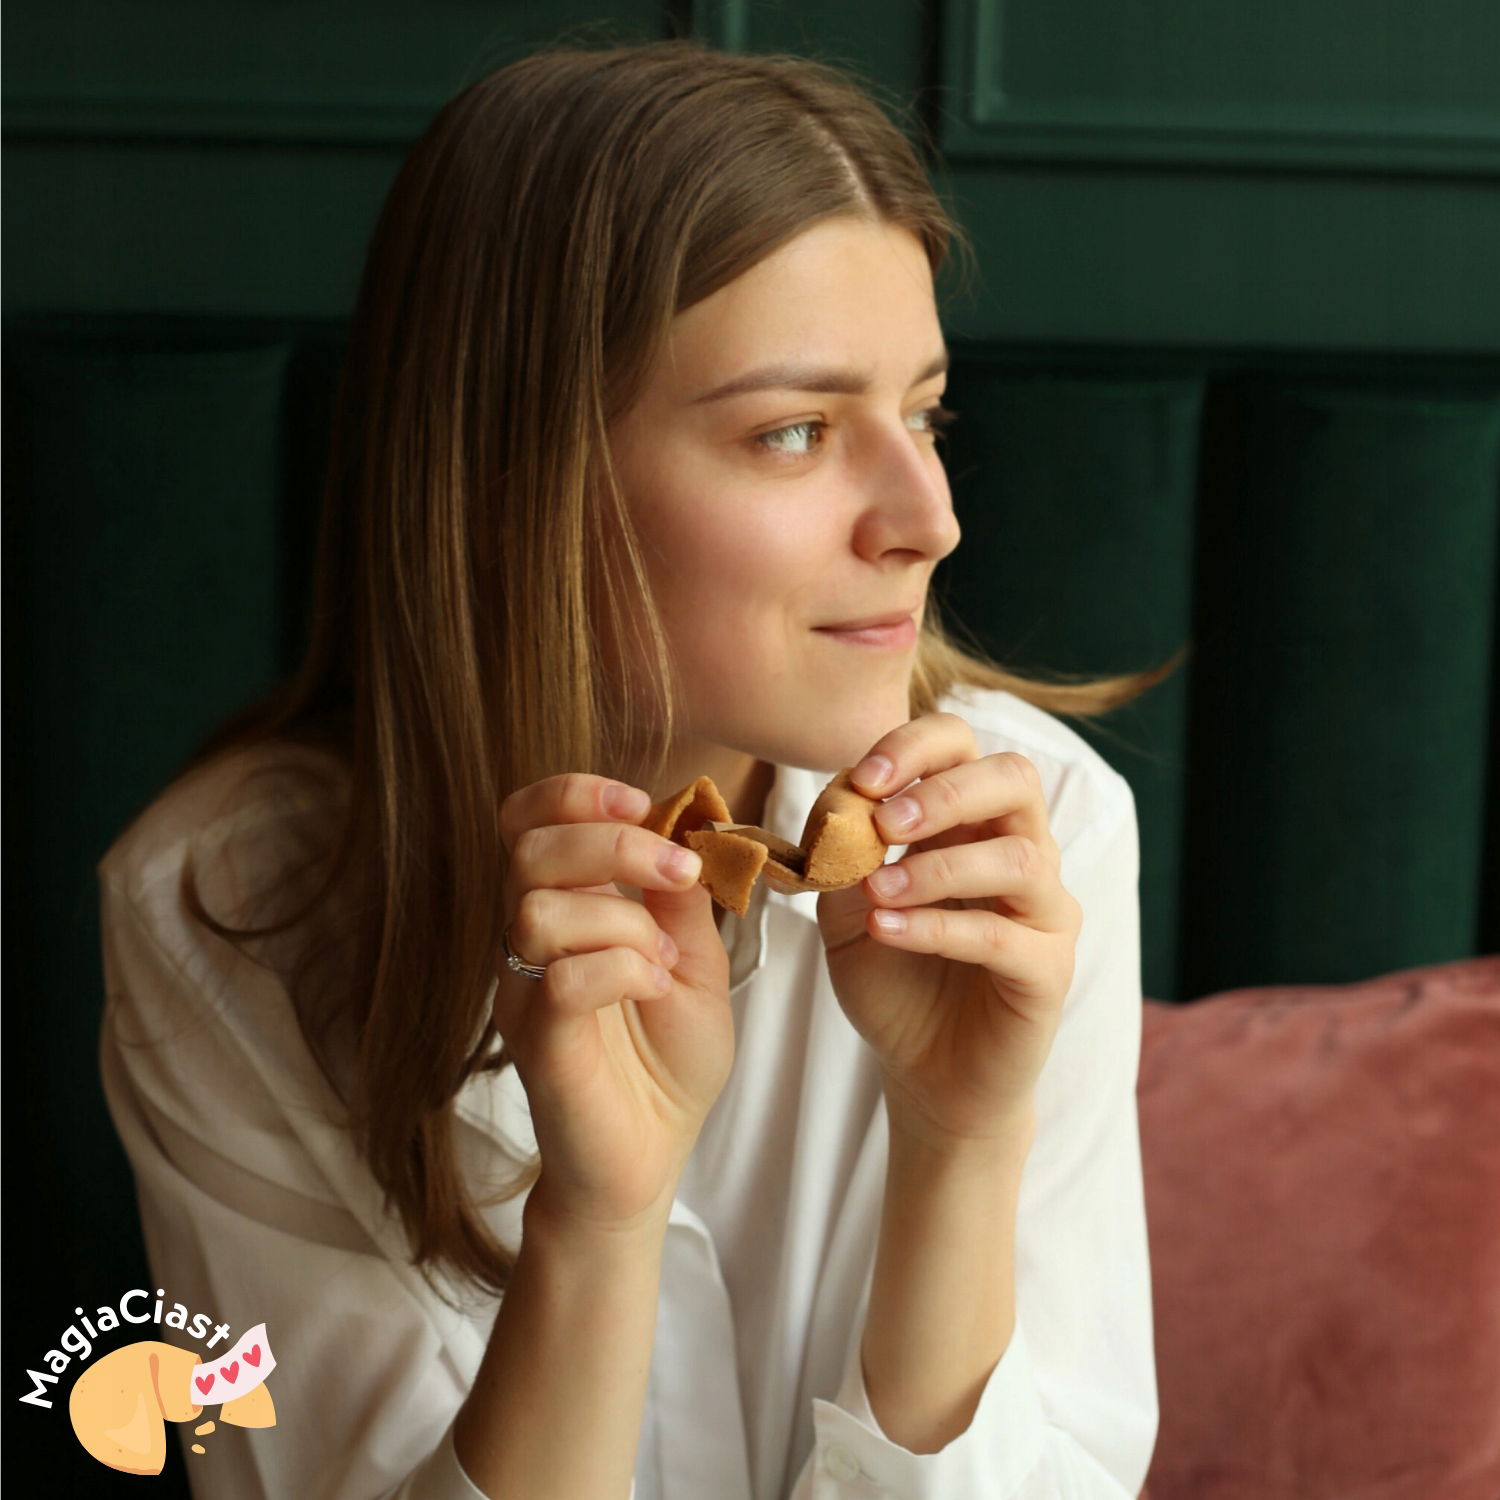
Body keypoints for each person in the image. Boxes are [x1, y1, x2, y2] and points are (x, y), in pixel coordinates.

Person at [98, 37, 1177, 1500]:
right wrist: (597, 1224)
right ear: (520, 475)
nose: (929, 519)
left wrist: (960, 1141)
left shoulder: (1036, 837)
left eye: (925, 415)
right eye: (794, 433)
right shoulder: (226, 916)